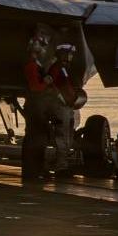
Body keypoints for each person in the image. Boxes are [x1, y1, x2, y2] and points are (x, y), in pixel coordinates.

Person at [21, 38, 54, 180]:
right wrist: (46, 83)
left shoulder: (35, 65)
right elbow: (35, 87)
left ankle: (34, 170)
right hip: (36, 106)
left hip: (35, 105)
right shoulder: (32, 66)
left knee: (36, 137)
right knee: (37, 138)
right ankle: (34, 170)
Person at [46, 43, 80, 178]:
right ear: (63, 54)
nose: (71, 56)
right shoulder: (57, 68)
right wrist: (60, 98)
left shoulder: (64, 68)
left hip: (67, 106)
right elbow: (51, 83)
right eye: (70, 54)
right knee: (62, 136)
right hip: (61, 107)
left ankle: (62, 164)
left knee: (67, 136)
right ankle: (61, 167)